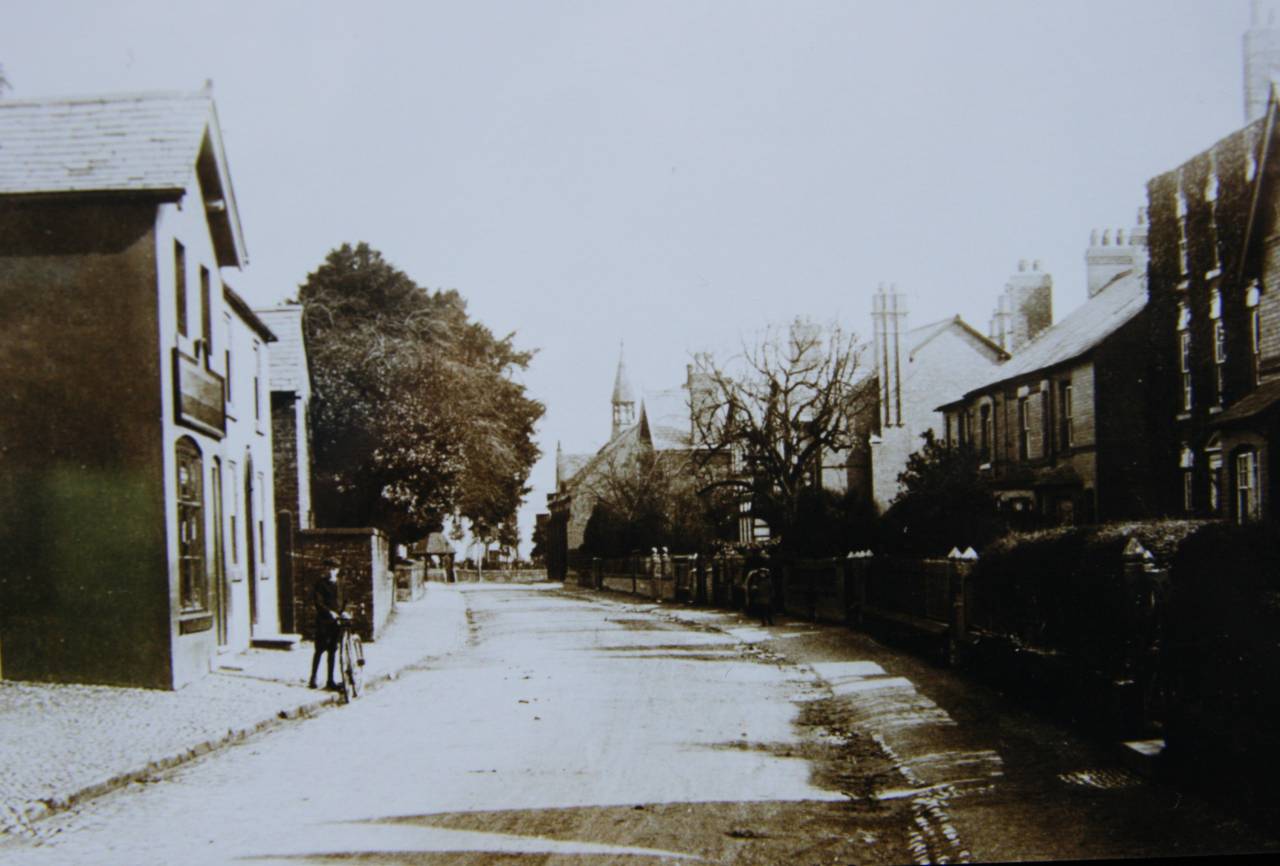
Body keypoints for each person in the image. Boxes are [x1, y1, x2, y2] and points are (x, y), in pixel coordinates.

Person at [308, 557, 343, 690]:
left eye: (333, 569)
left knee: (333, 650)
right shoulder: (320, 584)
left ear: (337, 570)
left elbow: (345, 601)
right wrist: (329, 613)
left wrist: (344, 612)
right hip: (323, 621)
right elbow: (318, 602)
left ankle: (330, 680)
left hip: (336, 623)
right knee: (319, 649)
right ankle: (313, 678)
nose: (330, 571)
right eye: (328, 568)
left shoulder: (341, 584)